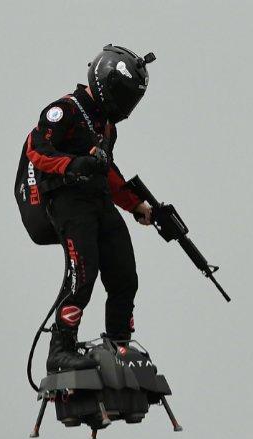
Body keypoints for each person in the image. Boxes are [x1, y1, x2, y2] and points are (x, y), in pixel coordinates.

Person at [24, 45, 155, 372]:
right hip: (68, 199)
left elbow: (108, 172)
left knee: (124, 272)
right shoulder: (65, 109)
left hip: (97, 200)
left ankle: (119, 346)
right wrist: (74, 164)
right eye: (123, 96)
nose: (126, 106)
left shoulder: (107, 128)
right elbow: (36, 150)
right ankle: (60, 348)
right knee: (84, 271)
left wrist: (135, 204)